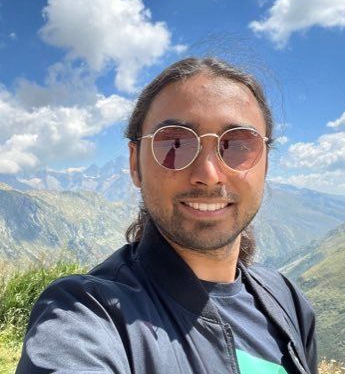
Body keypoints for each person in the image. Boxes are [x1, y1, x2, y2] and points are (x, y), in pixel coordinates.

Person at [16, 57, 317, 374]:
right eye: (175, 143)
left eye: (239, 145)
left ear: (265, 165)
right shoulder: (85, 312)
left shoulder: (286, 300)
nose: (209, 175)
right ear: (135, 165)